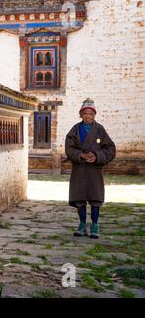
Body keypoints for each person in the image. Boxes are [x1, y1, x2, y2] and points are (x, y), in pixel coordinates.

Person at [65, 99, 116, 239]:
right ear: (80, 114)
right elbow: (69, 148)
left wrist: (97, 156)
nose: (88, 116)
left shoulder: (100, 129)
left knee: (95, 197)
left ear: (95, 115)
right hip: (79, 168)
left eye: (91, 114)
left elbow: (110, 148)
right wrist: (80, 154)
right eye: (85, 113)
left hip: (95, 170)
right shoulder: (75, 129)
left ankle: (94, 224)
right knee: (79, 197)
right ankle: (82, 224)